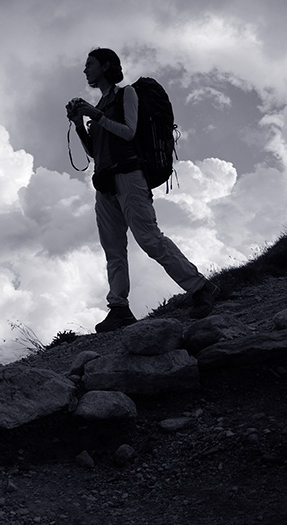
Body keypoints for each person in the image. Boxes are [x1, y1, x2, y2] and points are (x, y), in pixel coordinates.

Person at [66, 47, 219, 332]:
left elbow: (129, 132)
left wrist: (94, 115)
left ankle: (201, 288)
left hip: (129, 177)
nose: (85, 69)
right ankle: (119, 309)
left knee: (149, 239)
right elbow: (94, 153)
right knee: (113, 250)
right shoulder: (99, 105)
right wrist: (79, 123)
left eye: (90, 64)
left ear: (106, 66)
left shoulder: (127, 95)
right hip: (105, 183)